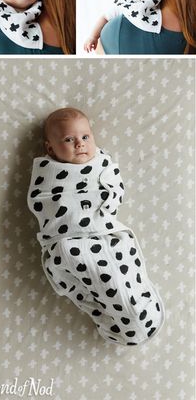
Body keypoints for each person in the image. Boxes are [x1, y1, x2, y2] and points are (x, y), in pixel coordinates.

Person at [27, 106, 164, 345]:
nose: (79, 144)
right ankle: (117, 319)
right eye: (69, 139)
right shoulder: (48, 172)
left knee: (120, 272)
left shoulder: (101, 163)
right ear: (50, 147)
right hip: (68, 241)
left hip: (104, 233)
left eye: (85, 137)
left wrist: (109, 203)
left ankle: (141, 309)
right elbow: (43, 201)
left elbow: (116, 186)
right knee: (93, 277)